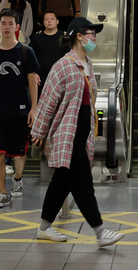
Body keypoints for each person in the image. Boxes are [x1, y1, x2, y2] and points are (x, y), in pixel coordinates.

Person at [31, 17, 124, 247]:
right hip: (66, 135)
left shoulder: (87, 64)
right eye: (91, 34)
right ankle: (100, 231)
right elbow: (48, 101)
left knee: (61, 182)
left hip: (82, 135)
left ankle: (44, 227)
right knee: (83, 183)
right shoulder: (62, 65)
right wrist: (39, 132)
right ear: (79, 37)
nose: (94, 38)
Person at [0, 9, 39, 208]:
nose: (7, 27)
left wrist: (34, 108)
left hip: (20, 111)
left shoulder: (26, 52)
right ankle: (2, 193)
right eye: (4, 23)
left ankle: (17, 179)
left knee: (19, 153)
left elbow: (32, 80)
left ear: (17, 27)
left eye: (11, 23)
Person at [30, 10, 66, 99]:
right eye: (46, 19)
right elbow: (30, 57)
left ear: (57, 22)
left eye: (52, 19)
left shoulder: (64, 37)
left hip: (59, 78)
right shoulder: (37, 37)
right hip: (40, 78)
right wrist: (33, 74)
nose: (49, 21)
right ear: (43, 22)